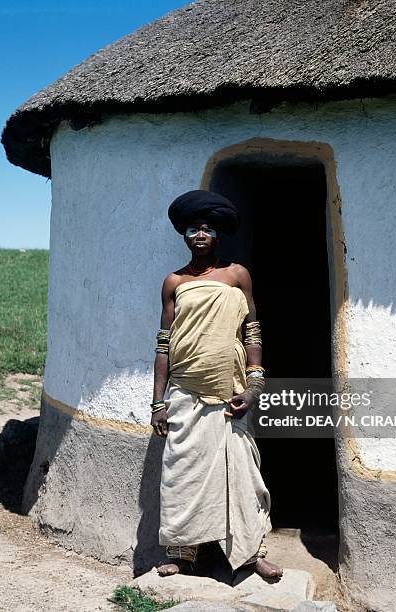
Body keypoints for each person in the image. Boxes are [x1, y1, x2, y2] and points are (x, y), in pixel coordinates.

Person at [150, 189, 283, 580]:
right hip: (185, 395)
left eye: (207, 229)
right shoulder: (174, 281)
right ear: (185, 236)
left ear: (218, 235)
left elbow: (252, 331)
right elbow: (164, 344)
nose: (201, 235)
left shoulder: (237, 275)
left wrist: (255, 385)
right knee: (181, 473)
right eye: (193, 229)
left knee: (242, 475)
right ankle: (183, 552)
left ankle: (251, 553)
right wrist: (158, 403)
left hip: (230, 396)